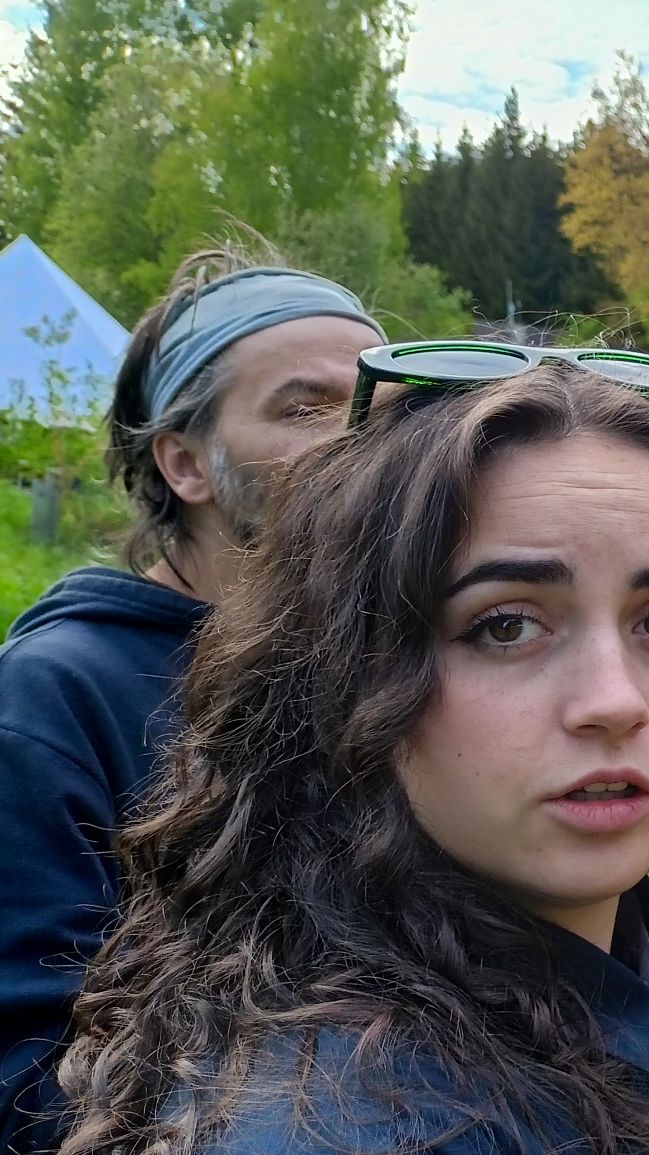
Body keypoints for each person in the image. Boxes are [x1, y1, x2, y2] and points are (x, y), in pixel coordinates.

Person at [55, 362, 649, 1155]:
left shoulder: (623, 946)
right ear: (346, 671)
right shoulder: (354, 1131)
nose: (615, 700)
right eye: (506, 625)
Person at [0, 249, 385, 1152]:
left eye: (380, 404)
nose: (361, 437)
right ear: (186, 463)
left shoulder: (390, 656)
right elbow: (24, 1079)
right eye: (305, 406)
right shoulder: (53, 699)